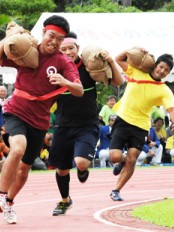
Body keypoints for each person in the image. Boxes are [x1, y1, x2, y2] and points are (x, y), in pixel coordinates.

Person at [0, 15, 83, 224]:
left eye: (60, 39)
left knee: (24, 169)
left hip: (40, 121)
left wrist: (65, 81)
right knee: (18, 148)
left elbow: (79, 90)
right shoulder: (25, 49)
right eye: (52, 36)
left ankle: (9, 203)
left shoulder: (62, 61)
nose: (55, 42)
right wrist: (10, 37)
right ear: (43, 33)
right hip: (17, 111)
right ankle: (1, 196)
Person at [49, 31, 124, 216]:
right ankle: (65, 200)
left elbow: (118, 81)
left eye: (71, 48)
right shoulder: (54, 68)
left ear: (78, 49)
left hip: (87, 125)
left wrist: (111, 61)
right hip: (62, 125)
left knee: (81, 163)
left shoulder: (89, 67)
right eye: (63, 49)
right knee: (62, 169)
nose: (68, 52)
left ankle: (82, 171)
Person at [109, 49, 174, 201]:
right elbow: (118, 58)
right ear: (155, 65)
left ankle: (116, 190)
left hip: (140, 126)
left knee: (133, 158)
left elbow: (172, 109)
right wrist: (134, 49)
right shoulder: (136, 72)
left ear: (168, 73)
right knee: (115, 156)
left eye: (166, 70)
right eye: (161, 67)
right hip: (123, 119)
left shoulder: (164, 90)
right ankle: (122, 161)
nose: (162, 71)